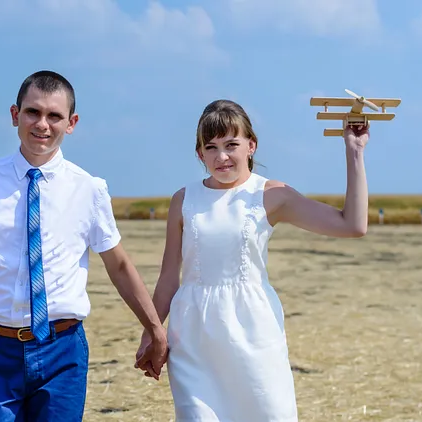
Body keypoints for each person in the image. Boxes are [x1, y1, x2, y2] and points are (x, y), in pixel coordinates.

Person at [0, 70, 168, 421]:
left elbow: (119, 265)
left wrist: (155, 330)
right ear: (14, 115)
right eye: (32, 112)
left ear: (72, 123)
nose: (42, 124)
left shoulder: (90, 189)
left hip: (62, 352)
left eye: (54, 115)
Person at [135, 99, 369, 421]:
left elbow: (352, 225)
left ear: (251, 146)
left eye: (232, 144)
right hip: (192, 337)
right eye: (211, 147)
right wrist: (151, 331)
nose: (222, 156)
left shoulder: (272, 195)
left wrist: (354, 152)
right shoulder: (183, 199)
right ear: (199, 153)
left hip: (254, 333)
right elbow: (168, 280)